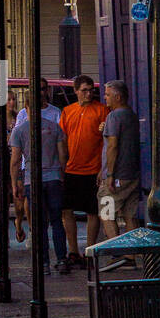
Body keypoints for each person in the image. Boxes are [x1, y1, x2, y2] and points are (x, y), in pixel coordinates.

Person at [9, 96, 69, 274]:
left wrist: (15, 182)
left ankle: (43, 263)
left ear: (26, 108)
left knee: (39, 222)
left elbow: (15, 160)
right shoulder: (53, 127)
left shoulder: (19, 131)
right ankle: (61, 258)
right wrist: (61, 174)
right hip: (54, 177)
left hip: (32, 179)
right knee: (57, 220)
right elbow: (63, 155)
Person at [60, 74, 108, 265]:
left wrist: (102, 170)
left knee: (93, 212)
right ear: (76, 91)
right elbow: (62, 140)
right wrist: (62, 166)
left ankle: (89, 250)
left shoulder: (102, 110)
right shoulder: (67, 111)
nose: (88, 93)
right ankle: (73, 251)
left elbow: (107, 142)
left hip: (93, 169)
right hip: (72, 168)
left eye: (91, 90)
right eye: (84, 90)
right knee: (67, 210)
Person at [98, 79, 141, 239]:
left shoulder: (113, 116)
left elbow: (112, 146)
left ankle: (117, 253)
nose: (105, 97)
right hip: (132, 175)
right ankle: (131, 255)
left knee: (106, 214)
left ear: (118, 97)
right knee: (130, 215)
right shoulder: (131, 115)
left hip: (117, 177)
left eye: (108, 94)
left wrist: (109, 174)